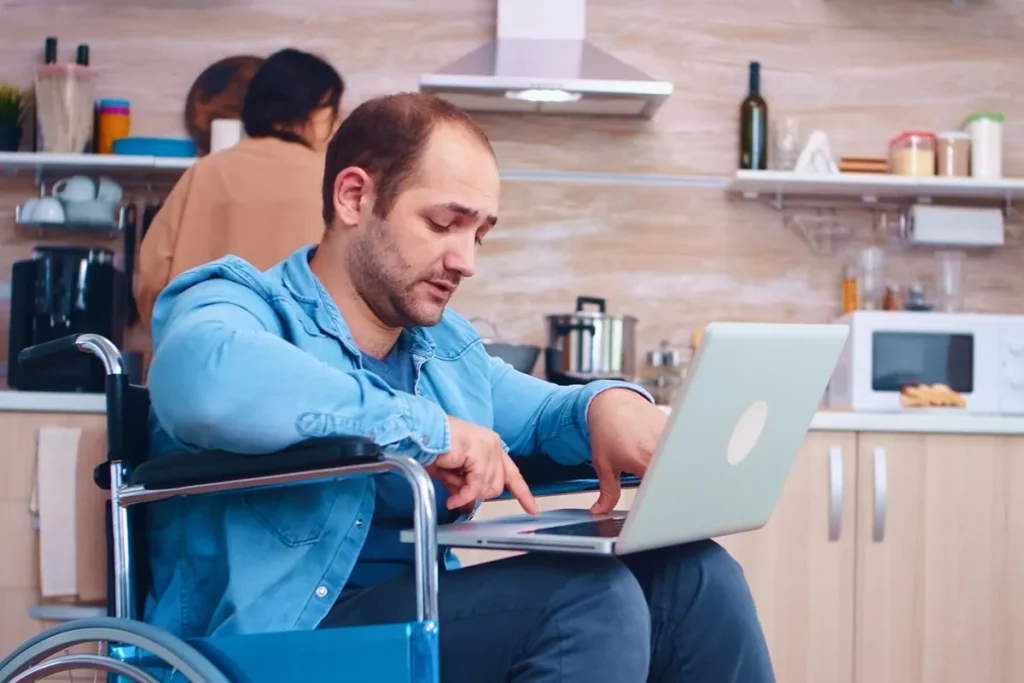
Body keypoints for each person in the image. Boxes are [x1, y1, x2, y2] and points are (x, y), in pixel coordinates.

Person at [143, 92, 776, 683]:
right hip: (264, 650)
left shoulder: (446, 351)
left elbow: (545, 413)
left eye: (480, 233)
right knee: (587, 600)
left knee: (696, 574)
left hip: (406, 628)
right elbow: (206, 381)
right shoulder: (241, 305)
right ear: (355, 197)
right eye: (445, 223)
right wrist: (430, 432)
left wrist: (606, 406)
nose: (466, 260)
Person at [134, 47, 344, 330]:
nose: (337, 122)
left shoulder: (205, 171)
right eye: (331, 110)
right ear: (309, 109)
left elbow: (152, 276)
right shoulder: (331, 182)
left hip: (198, 351)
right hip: (297, 361)